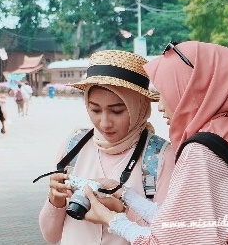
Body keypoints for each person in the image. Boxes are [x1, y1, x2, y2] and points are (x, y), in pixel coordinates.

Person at [82, 41, 228, 244]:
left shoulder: (200, 151)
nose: (161, 106)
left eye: (166, 93)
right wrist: (126, 195)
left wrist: (111, 219)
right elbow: (183, 224)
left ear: (193, 89)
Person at [38, 50, 175, 245]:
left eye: (117, 111)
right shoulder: (74, 146)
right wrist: (55, 201)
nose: (104, 123)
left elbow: (168, 235)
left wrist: (122, 210)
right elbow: (51, 236)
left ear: (140, 106)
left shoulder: (159, 156)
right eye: (95, 109)